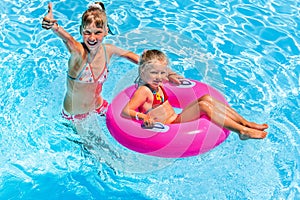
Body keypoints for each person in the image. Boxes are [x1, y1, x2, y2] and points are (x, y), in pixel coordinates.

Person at [42, 2, 182, 122]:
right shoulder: (80, 54)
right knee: (97, 149)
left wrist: (168, 73)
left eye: (97, 32)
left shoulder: (108, 51)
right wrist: (55, 27)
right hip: (76, 115)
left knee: (129, 121)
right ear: (81, 31)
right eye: (87, 32)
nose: (92, 37)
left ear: (106, 31)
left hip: (98, 106)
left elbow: (142, 61)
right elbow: (69, 40)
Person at [122, 49, 269, 140]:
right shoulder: (144, 91)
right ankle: (241, 131)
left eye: (162, 72)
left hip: (176, 118)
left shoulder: (157, 84)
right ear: (143, 72)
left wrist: (171, 76)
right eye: (154, 73)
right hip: (171, 125)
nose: (159, 77)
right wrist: (143, 117)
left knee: (207, 98)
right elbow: (126, 111)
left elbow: (161, 72)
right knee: (204, 106)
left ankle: (245, 122)